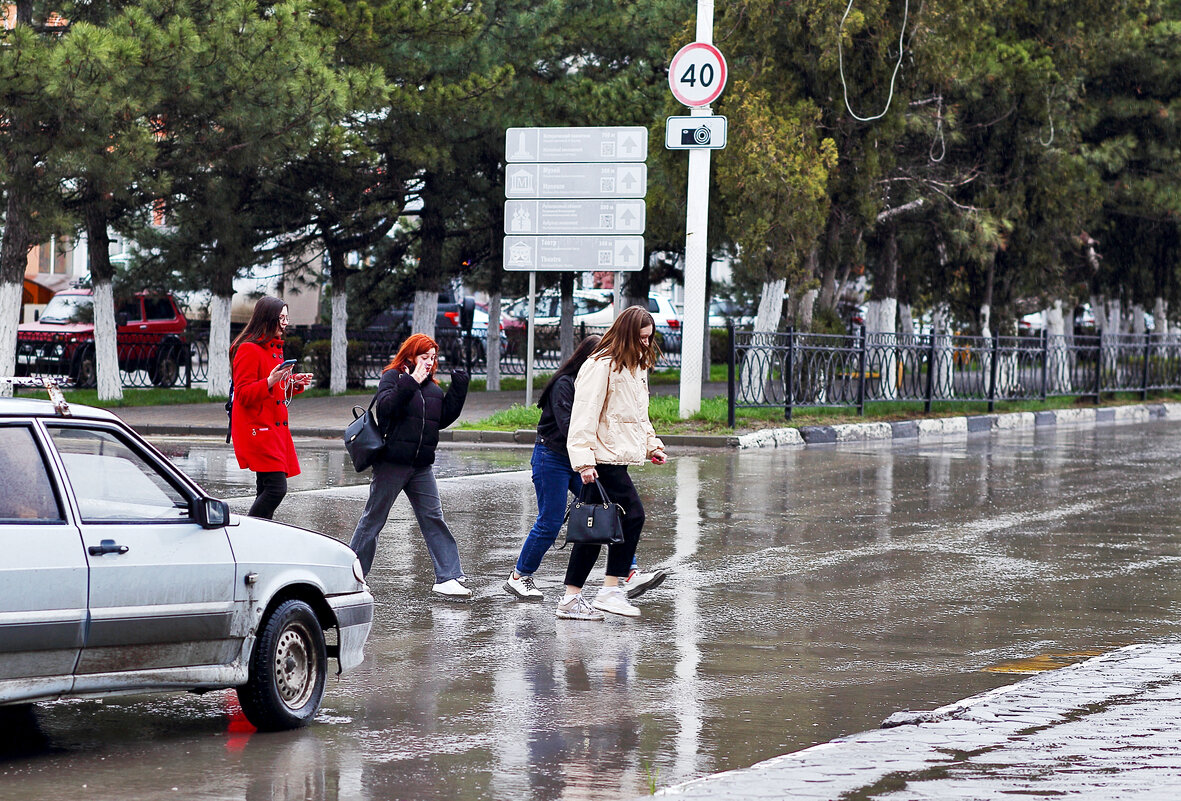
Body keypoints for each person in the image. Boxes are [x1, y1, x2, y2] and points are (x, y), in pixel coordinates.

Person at [505, 335, 667, 603]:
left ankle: (629, 572)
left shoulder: (596, 382)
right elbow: (574, 428)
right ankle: (519, 577)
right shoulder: (564, 385)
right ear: (589, 358)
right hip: (553, 458)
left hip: (583, 458)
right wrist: (593, 455)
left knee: (609, 510)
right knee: (551, 520)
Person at [558, 305, 667, 620]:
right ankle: (610, 591)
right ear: (627, 334)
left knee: (593, 532)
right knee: (633, 515)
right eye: (641, 338)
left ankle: (571, 600)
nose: (646, 344)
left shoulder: (634, 367)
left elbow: (638, 418)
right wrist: (584, 461)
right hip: (601, 459)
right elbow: (584, 414)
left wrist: (651, 446)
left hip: (614, 456)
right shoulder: (600, 364)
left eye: (649, 338)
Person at [348, 333, 471, 597]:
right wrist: (412, 380)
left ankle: (447, 577)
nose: (429, 362)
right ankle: (350, 573)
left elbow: (441, 418)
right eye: (424, 357)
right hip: (392, 463)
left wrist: (459, 389)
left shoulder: (432, 387)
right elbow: (387, 408)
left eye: (433, 358)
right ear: (411, 355)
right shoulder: (393, 377)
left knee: (433, 517)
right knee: (374, 519)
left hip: (421, 467)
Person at [230, 296, 312, 519]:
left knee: (265, 487)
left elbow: (277, 391)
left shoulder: (274, 348)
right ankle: (252, 532)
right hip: (259, 430)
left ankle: (260, 536)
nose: (285, 323)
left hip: (273, 429)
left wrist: (294, 382)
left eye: (287, 318)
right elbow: (244, 394)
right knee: (276, 488)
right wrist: (270, 381)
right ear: (268, 319)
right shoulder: (248, 349)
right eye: (281, 318)